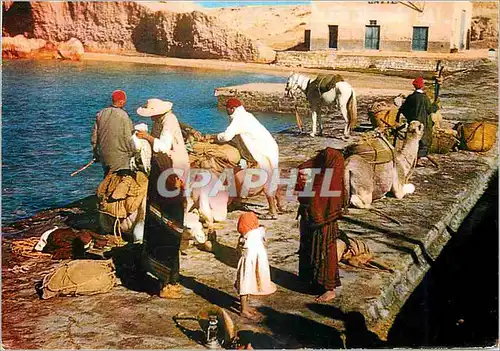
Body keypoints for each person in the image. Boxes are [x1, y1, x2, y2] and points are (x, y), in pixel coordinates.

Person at [135, 98, 190, 299]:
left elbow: (162, 146)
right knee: (157, 222)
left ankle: (169, 278)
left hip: (172, 176)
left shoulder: (168, 122)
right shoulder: (160, 121)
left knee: (169, 226)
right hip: (163, 175)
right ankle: (161, 274)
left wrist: (147, 137)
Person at [207, 98, 281, 219]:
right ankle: (280, 205)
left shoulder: (238, 119)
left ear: (232, 109)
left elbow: (226, 136)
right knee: (273, 176)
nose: (226, 111)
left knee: (267, 178)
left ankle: (273, 211)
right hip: (270, 146)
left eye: (227, 109)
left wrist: (215, 137)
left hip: (263, 150)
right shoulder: (247, 115)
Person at [296, 147, 345, 302]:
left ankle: (329, 290)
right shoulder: (324, 175)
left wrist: (307, 186)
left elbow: (318, 201)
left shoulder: (328, 181)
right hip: (314, 221)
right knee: (312, 250)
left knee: (325, 253)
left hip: (323, 223)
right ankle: (316, 283)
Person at [235, 212, 276, 319]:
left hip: (248, 263)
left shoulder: (244, 237)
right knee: (246, 285)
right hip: (253, 263)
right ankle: (244, 310)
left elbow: (238, 250)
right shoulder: (258, 232)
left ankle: (245, 306)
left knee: (246, 284)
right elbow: (264, 228)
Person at [91, 89, 135, 176]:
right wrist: (133, 153)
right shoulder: (123, 115)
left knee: (107, 177)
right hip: (121, 159)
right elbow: (128, 137)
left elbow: (94, 138)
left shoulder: (100, 113)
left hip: (104, 157)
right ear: (122, 101)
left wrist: (96, 154)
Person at [396, 76, 439, 159]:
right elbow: (429, 110)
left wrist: (410, 117)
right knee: (423, 140)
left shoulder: (411, 97)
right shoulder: (424, 98)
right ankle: (418, 159)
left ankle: (414, 157)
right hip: (423, 123)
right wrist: (435, 106)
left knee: (412, 139)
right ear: (422, 86)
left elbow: (403, 109)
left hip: (412, 122)